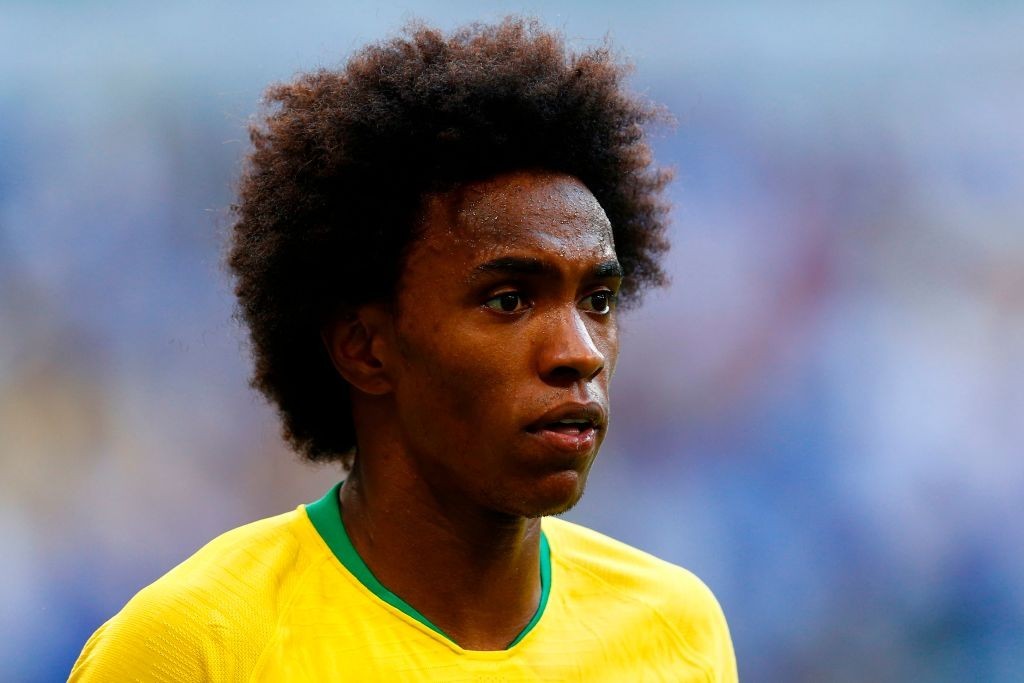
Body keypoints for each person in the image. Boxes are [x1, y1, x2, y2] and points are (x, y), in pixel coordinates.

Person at [70, 17, 736, 681]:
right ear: (365, 348)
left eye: (598, 300)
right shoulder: (194, 648)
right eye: (509, 300)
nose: (580, 352)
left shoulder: (676, 631)